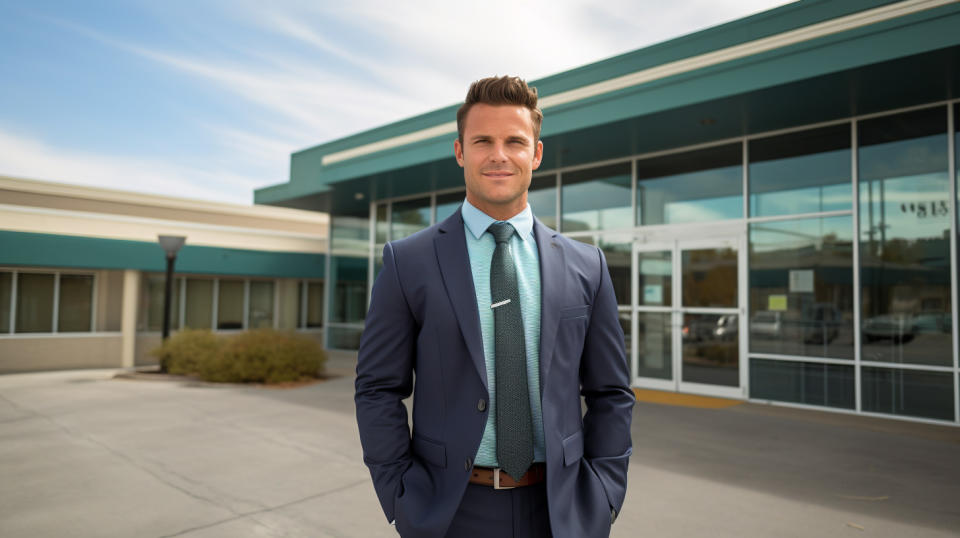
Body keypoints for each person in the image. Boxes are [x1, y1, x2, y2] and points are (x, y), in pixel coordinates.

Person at [355, 75, 635, 538]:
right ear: (460, 151)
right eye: (483, 140)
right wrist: (400, 493)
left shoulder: (588, 266)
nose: (499, 155)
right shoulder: (409, 262)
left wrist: (604, 491)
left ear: (536, 154)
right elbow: (378, 387)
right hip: (449, 511)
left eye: (515, 141)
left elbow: (611, 393)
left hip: (561, 511)